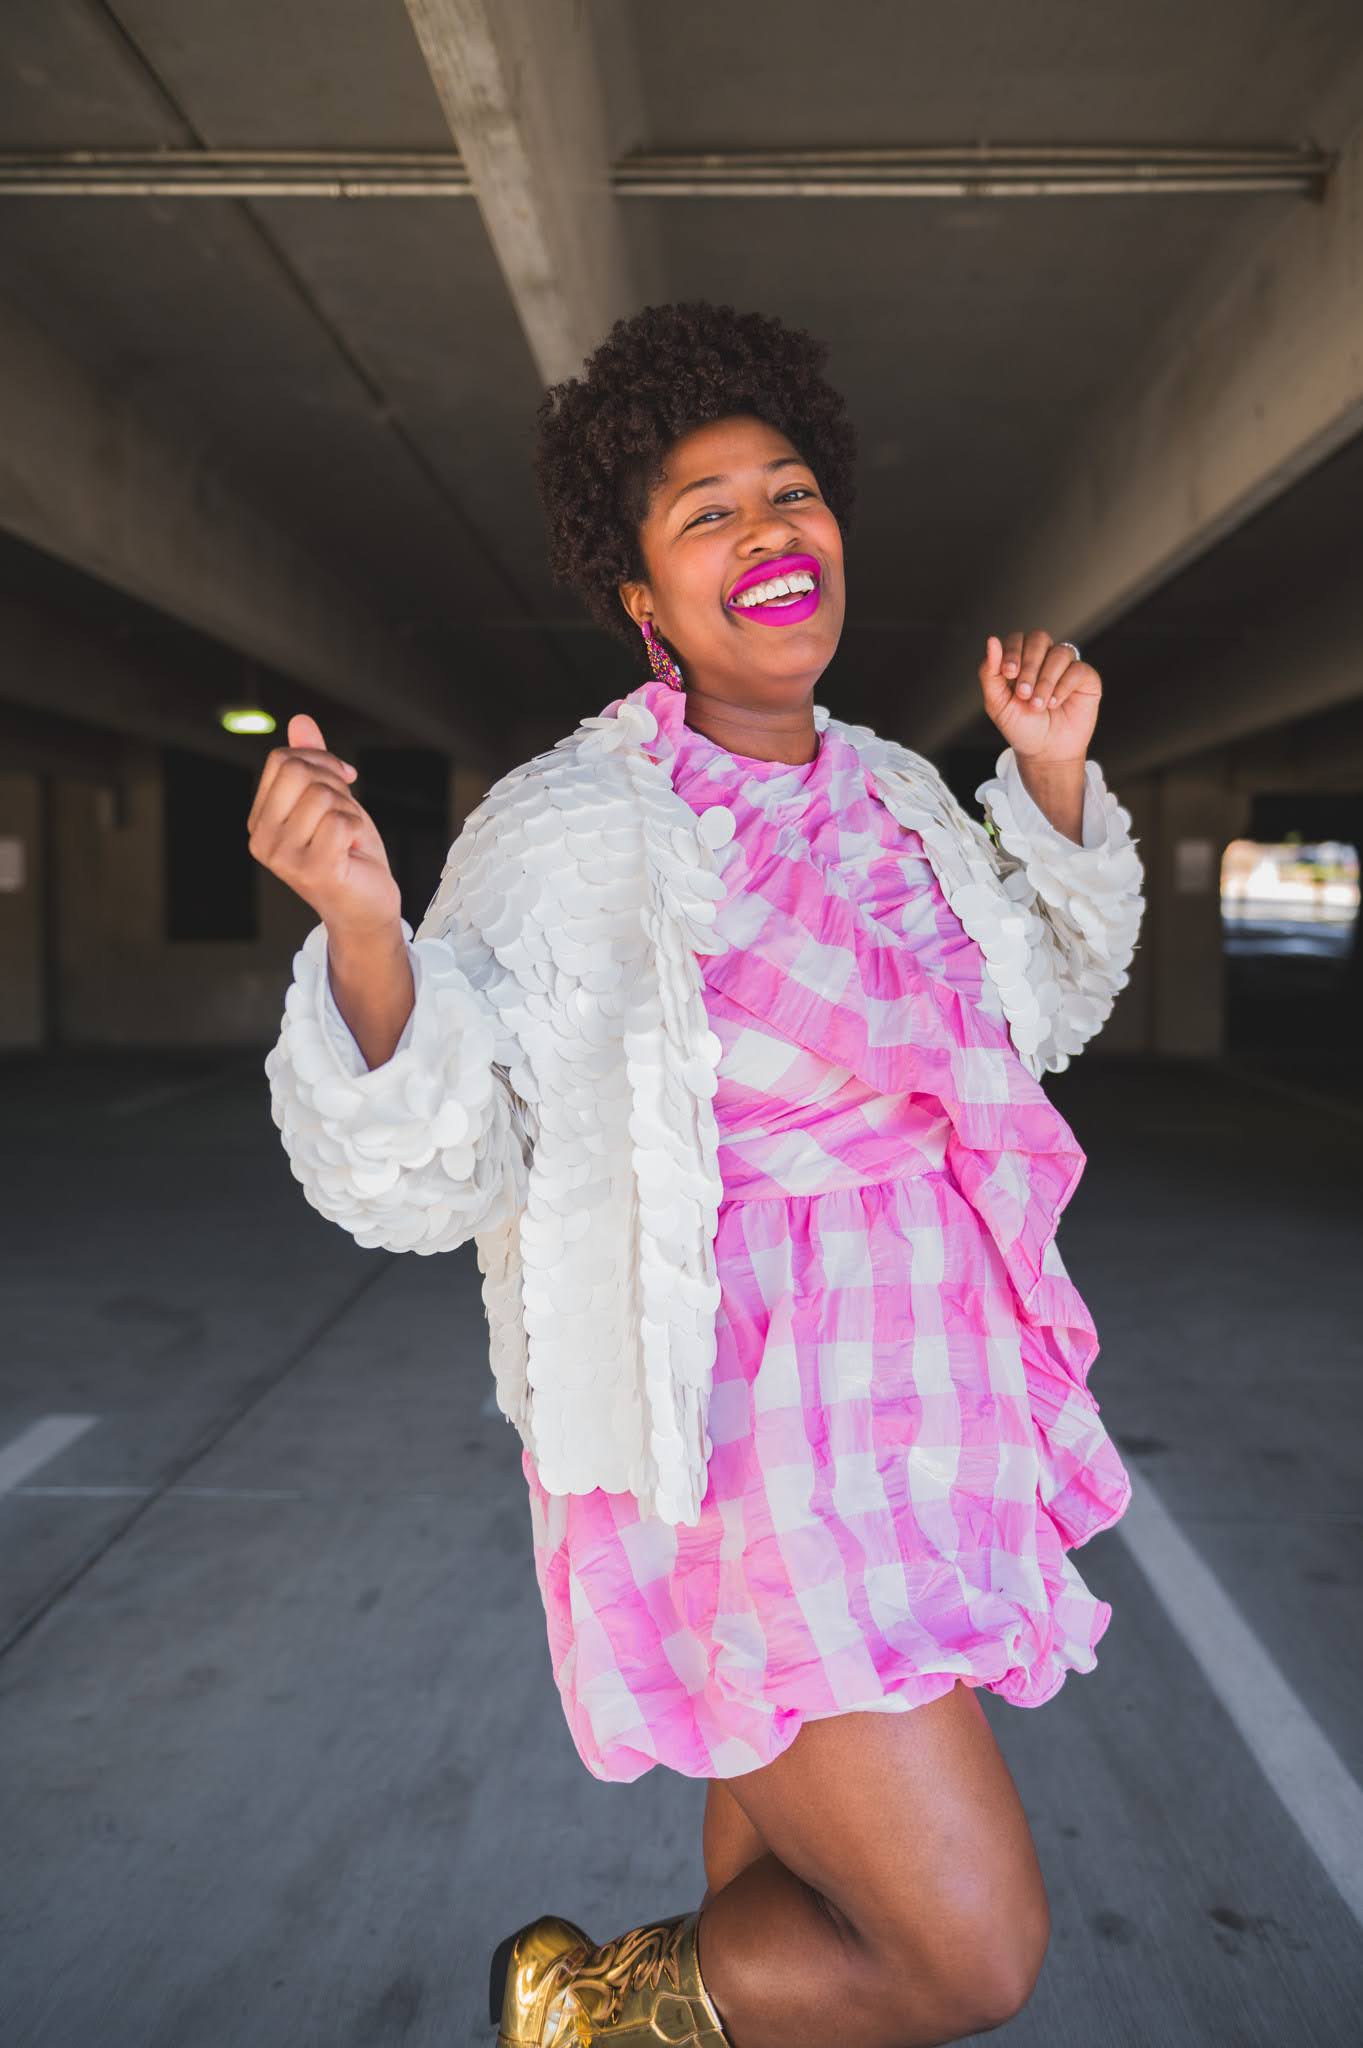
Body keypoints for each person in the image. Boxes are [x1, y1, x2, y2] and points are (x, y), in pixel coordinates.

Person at [249, 300, 1145, 2048]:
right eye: (708, 510)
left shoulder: (897, 795)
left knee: (810, 1915)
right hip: (748, 1438)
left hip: (924, 1406)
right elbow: (436, 1168)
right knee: (963, 1952)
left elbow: (1032, 1013)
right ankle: (577, 2016)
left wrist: (1048, 779)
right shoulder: (569, 828)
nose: (768, 529)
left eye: (790, 491)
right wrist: (363, 930)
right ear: (645, 598)